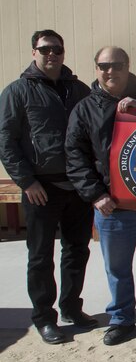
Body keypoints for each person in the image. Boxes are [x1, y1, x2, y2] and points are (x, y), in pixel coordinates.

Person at [65, 46, 136, 346]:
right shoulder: (85, 108)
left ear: (127, 66)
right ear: (96, 69)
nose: (110, 71)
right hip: (114, 205)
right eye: (103, 66)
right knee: (117, 268)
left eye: (116, 65)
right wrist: (95, 194)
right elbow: (75, 156)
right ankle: (121, 318)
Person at [0, 30, 94, 344]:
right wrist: (26, 181)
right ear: (33, 52)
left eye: (57, 49)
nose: (51, 54)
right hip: (41, 188)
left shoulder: (78, 90)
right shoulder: (18, 92)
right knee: (41, 256)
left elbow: (95, 128)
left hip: (77, 186)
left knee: (76, 251)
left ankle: (71, 307)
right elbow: (6, 141)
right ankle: (44, 317)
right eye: (45, 49)